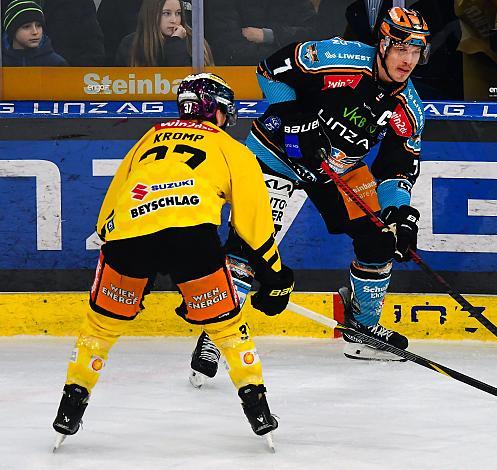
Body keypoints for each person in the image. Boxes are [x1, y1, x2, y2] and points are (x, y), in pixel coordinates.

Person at [51, 73, 294, 449]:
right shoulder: (231, 148)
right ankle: (259, 412)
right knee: (228, 330)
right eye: (226, 112)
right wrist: (276, 276)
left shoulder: (150, 137)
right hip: (191, 238)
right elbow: (254, 226)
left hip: (130, 237)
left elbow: (108, 213)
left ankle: (69, 410)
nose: (227, 119)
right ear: (215, 110)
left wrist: (119, 244)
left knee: (100, 328)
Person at [189, 7, 429, 385]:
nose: (408, 61)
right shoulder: (340, 58)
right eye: (400, 49)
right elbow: (269, 71)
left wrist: (399, 212)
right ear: (381, 44)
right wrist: (297, 120)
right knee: (250, 244)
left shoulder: (409, 108)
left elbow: (396, 169)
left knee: (380, 238)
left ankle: (362, 330)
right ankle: (215, 335)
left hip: (337, 168)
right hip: (278, 153)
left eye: (416, 52)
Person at [114, 0, 211, 66]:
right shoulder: (132, 44)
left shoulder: (194, 43)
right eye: (166, 13)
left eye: (178, 13)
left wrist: (176, 43)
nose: (174, 20)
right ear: (151, 14)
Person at [1, 0, 68, 66]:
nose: (35, 32)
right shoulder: (2, 61)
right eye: (26, 27)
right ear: (12, 30)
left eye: (38, 26)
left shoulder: (56, 63)